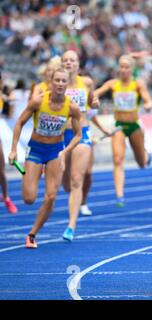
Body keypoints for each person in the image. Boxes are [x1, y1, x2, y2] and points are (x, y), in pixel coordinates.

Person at [8, 67, 81, 248]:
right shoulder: (38, 102)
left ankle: (32, 235)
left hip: (55, 152)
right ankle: (35, 171)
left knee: (50, 197)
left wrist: (66, 150)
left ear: (67, 84)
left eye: (64, 81)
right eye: (57, 80)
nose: (60, 84)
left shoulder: (71, 107)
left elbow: (78, 135)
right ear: (51, 82)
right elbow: (19, 123)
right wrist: (13, 149)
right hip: (36, 150)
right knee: (29, 198)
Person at [94, 54, 152, 207]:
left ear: (131, 69)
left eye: (126, 67)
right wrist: (94, 99)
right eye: (121, 67)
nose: (123, 70)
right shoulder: (113, 84)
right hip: (119, 126)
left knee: (141, 163)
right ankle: (119, 196)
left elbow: (147, 98)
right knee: (118, 160)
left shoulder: (137, 84)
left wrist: (148, 104)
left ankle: (146, 156)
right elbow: (96, 92)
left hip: (133, 126)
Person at [60, 50, 99, 241]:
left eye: (72, 60)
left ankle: (71, 226)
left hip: (81, 133)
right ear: (61, 64)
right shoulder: (57, 82)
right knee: (66, 183)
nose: (69, 63)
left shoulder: (87, 82)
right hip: (61, 135)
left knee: (77, 180)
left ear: (78, 64)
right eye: (65, 60)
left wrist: (96, 102)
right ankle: (71, 197)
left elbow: (92, 101)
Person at [0, 71, 18, 214]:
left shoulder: (3, 97)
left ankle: (6, 197)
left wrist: (11, 102)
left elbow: (10, 115)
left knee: (1, 169)